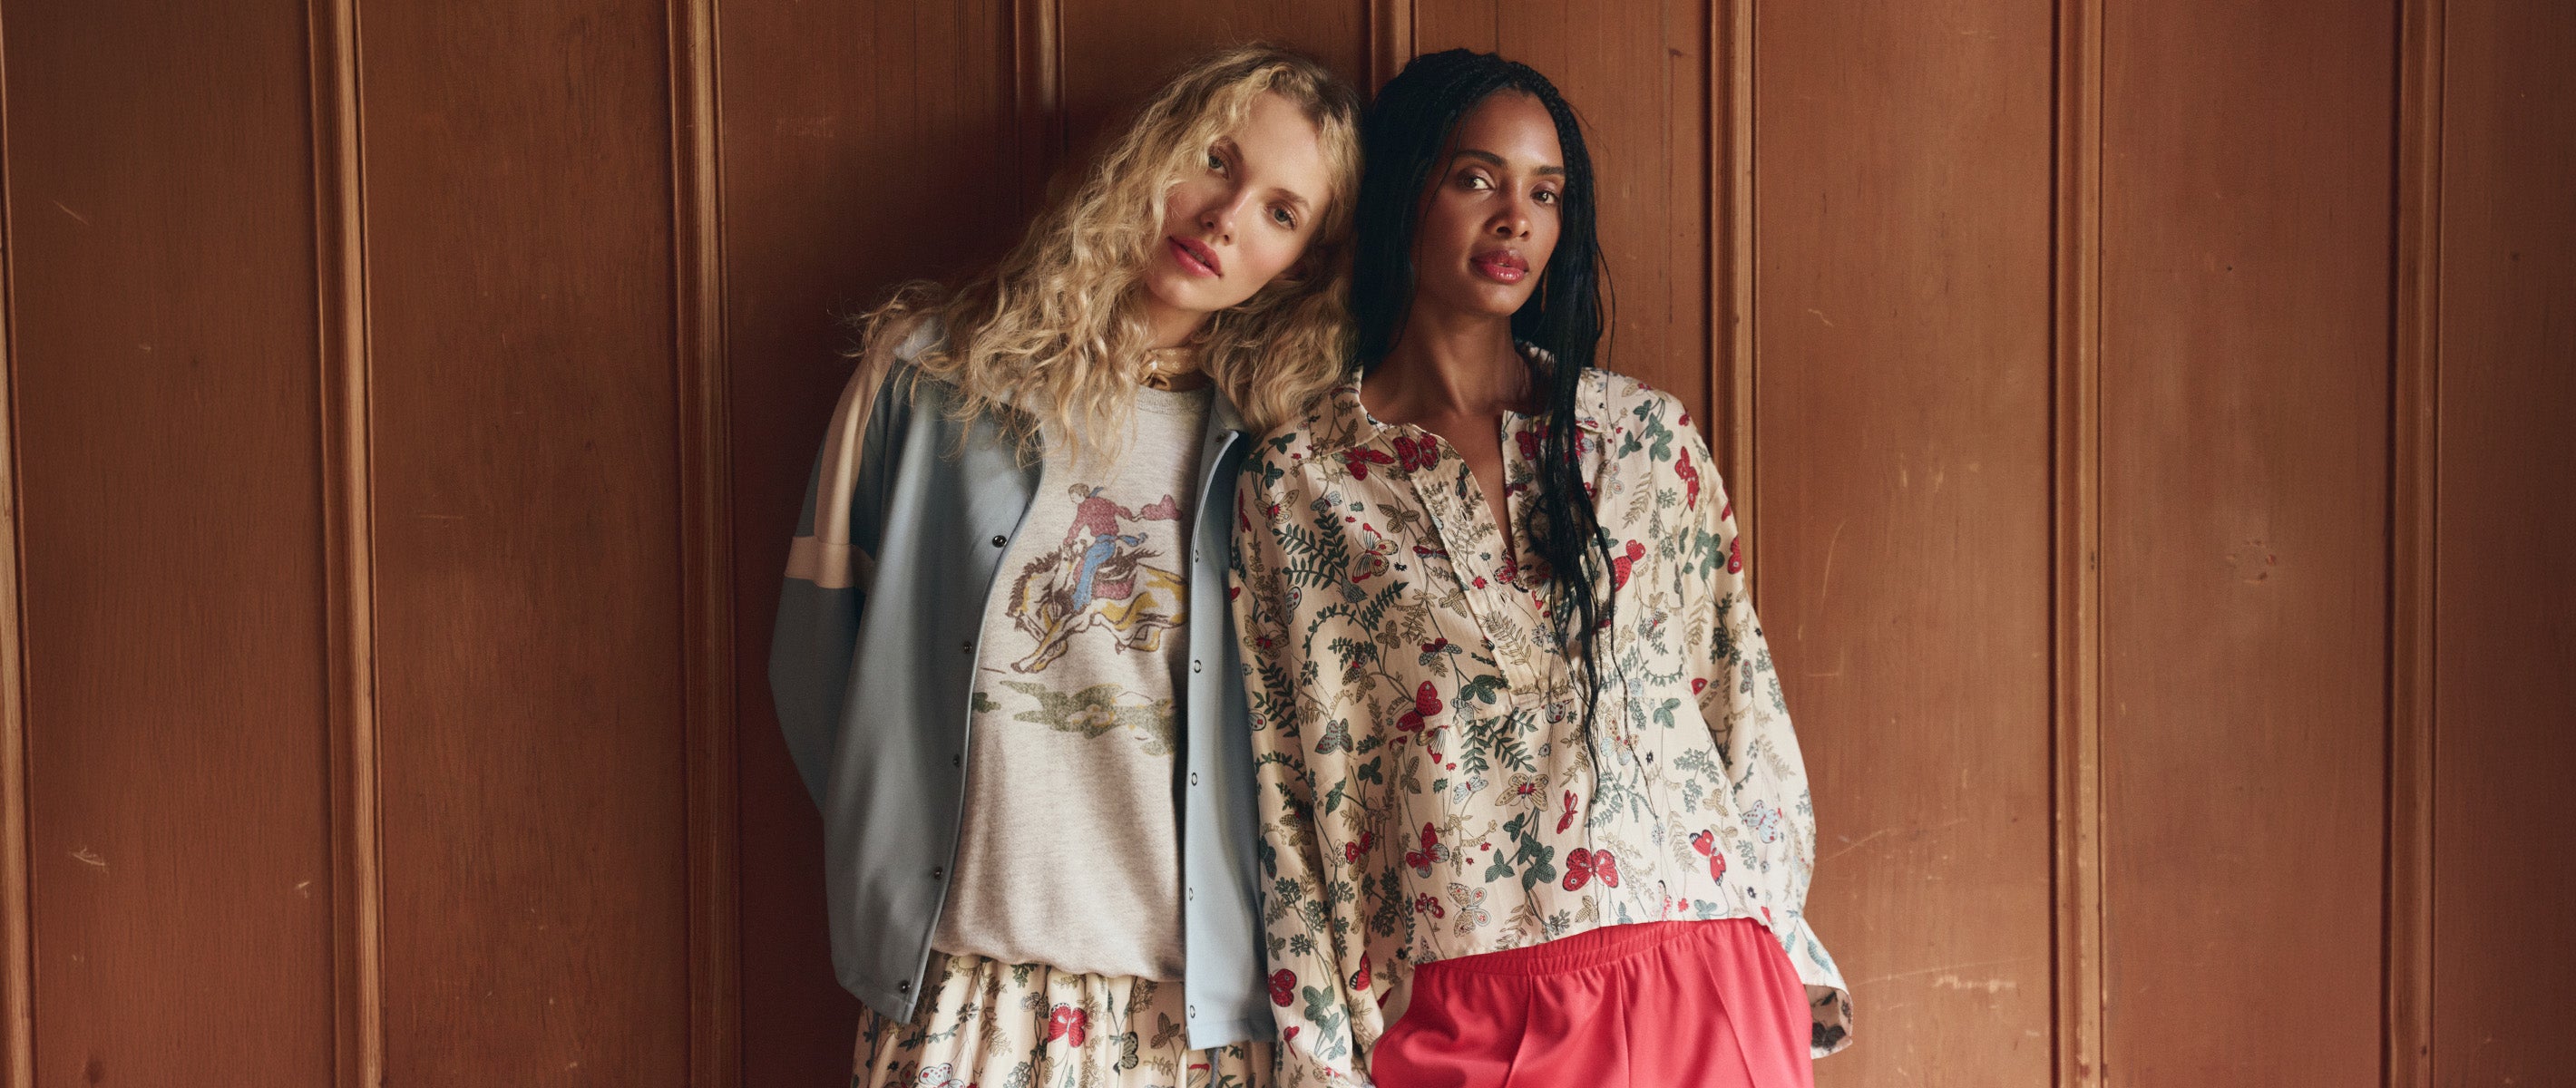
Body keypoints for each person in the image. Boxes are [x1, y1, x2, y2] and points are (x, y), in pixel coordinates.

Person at [1227, 49, 1853, 1086]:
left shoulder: (1645, 442)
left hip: (1705, 970)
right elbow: (1295, 795)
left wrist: (1780, 940)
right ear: (1405, 190)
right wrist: (1322, 1057)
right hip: (1466, 1005)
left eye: (1545, 193)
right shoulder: (1300, 482)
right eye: (1476, 178)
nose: (1515, 217)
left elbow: (1742, 713)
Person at [769, 44, 1360, 1088]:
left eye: (1280, 211)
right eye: (1215, 159)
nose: (1224, 216)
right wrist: (903, 849)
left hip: (1192, 1012)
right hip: (960, 986)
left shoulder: (1276, 451)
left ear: (1300, 266)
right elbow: (818, 667)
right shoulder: (927, 375)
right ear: (1150, 152)